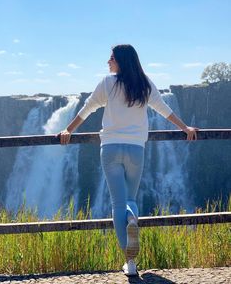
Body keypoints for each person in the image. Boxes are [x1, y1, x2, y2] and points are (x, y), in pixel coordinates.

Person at [57, 44, 198, 276]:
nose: (108, 62)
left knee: (117, 203)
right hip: (136, 150)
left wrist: (68, 130)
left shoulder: (107, 83)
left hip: (110, 149)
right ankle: (132, 225)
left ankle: (129, 262)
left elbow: (87, 108)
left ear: (121, 60)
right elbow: (164, 110)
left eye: (111, 58)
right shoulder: (144, 84)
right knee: (131, 199)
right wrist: (185, 127)